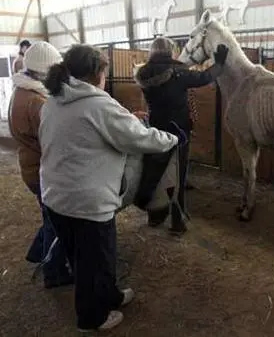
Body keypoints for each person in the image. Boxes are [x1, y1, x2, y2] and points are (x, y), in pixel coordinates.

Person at [40, 44, 179, 332]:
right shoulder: (98, 104)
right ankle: (92, 318)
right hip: (88, 201)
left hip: (55, 196)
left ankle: (110, 295)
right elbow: (139, 139)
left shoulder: (53, 100)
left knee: (85, 258)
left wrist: (129, 120)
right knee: (95, 260)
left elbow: (89, 131)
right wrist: (170, 139)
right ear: (96, 73)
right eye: (105, 72)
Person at [134, 37, 229, 235]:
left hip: (154, 130)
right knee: (178, 175)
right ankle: (177, 222)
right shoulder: (178, 72)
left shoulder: (143, 73)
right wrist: (219, 64)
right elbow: (204, 78)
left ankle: (155, 215)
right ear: (171, 51)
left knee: (155, 172)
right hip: (178, 132)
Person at [8, 41, 73, 289]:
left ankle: (38, 252)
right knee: (56, 224)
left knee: (50, 218)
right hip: (42, 171)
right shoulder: (38, 103)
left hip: (31, 166)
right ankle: (54, 273)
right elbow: (54, 142)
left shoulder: (21, 92)